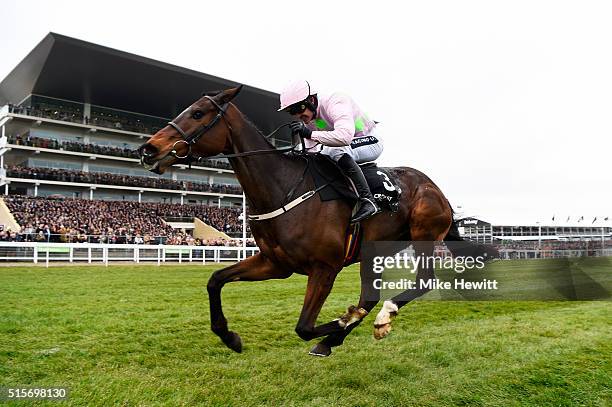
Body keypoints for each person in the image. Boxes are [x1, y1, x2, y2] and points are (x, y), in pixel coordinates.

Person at [278, 80, 383, 223]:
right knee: (321, 157)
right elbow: (311, 150)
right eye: (292, 112)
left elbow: (344, 137)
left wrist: (308, 134)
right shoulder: (313, 119)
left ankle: (368, 200)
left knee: (333, 151)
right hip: (348, 145)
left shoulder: (335, 102)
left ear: (311, 100)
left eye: (298, 109)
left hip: (370, 140)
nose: (297, 115)